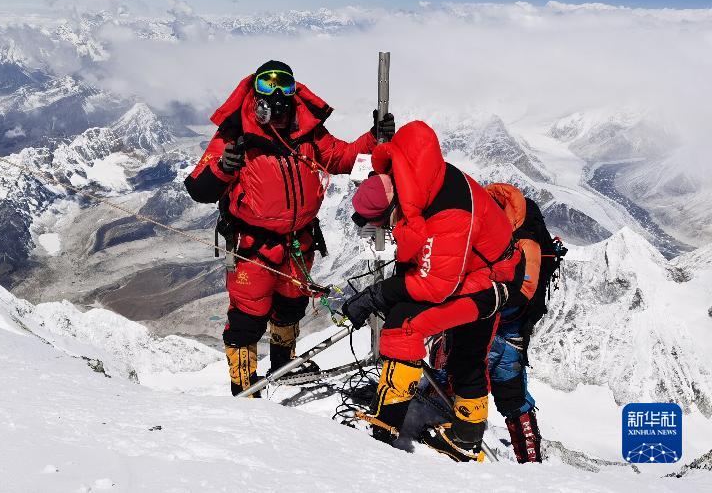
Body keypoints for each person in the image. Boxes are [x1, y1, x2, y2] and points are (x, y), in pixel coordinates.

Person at [184, 60, 394, 396]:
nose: (278, 93)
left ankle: (284, 365)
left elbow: (341, 158)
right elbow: (199, 188)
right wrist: (223, 168)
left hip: (299, 241)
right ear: (254, 92)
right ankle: (243, 385)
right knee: (248, 317)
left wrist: (373, 138)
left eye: (285, 84)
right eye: (268, 84)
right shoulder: (235, 134)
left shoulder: (307, 131)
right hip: (254, 245)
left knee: (291, 306)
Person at [341, 120, 522, 462]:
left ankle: (384, 425)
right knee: (467, 354)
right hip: (476, 270)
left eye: (383, 224)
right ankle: (465, 438)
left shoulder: (448, 214)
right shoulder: (417, 180)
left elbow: (435, 286)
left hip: (491, 282)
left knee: (405, 324)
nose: (386, 231)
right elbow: (427, 255)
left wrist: (378, 295)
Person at [484, 183, 543, 463]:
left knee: (457, 382)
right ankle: (530, 461)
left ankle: (531, 463)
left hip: (500, 329)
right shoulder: (514, 236)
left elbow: (524, 292)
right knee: (513, 397)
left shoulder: (523, 243)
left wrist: (481, 299)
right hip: (505, 331)